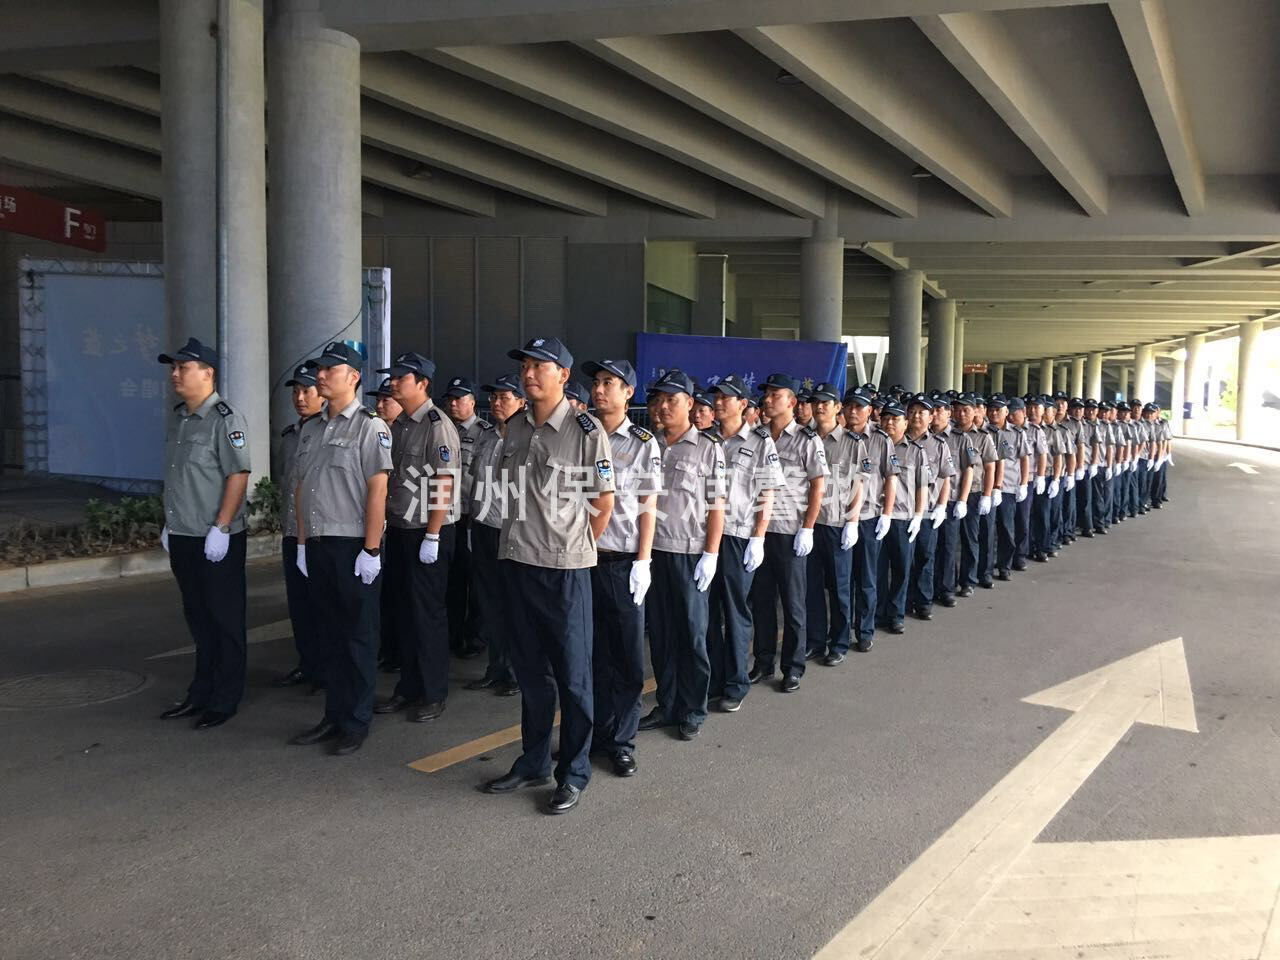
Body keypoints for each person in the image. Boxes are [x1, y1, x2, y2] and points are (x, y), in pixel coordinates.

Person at [481, 336, 614, 816]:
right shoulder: (516, 426)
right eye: (525, 366)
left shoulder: (584, 431)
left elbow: (602, 504)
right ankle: (533, 761)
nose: (529, 373)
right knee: (531, 674)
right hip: (518, 564)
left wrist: (573, 546)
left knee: (573, 678)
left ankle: (573, 772)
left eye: (541, 366)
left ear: (563, 375)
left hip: (563, 572)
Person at [288, 340, 392, 755]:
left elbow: (378, 490)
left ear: (354, 377)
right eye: (320, 369)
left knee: (357, 637)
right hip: (317, 543)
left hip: (351, 547)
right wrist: (301, 543)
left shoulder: (369, 427)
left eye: (330, 369)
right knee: (329, 635)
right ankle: (332, 715)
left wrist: (371, 550)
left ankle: (355, 721)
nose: (321, 375)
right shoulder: (311, 428)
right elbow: (301, 487)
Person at [156, 337, 252, 730]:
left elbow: (238, 474)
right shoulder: (179, 418)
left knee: (224, 620)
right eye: (173, 368)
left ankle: (225, 698)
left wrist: (222, 526)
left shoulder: (225, 419)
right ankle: (201, 691)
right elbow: (181, 478)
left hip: (216, 538)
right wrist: (170, 524)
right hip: (184, 534)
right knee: (198, 617)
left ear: (207, 373)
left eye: (183, 367)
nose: (175, 374)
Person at [637, 368, 726, 739]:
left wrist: (711, 554)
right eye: (658, 400)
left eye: (671, 400)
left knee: (691, 634)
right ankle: (667, 703)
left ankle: (693, 708)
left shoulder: (708, 448)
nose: (663, 407)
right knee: (661, 634)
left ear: (689, 403)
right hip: (652, 553)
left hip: (689, 554)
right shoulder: (648, 445)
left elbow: (717, 505)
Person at [374, 352, 461, 725]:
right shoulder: (401, 425)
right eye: (392, 377)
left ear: (422, 383)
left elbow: (445, 481)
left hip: (428, 531)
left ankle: (432, 691)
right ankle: (408, 687)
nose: (393, 383)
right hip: (400, 528)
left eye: (401, 378)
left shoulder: (436, 425)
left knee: (427, 614)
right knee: (404, 613)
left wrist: (433, 535)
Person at [583, 358, 660, 772]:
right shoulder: (582, 433)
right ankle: (594, 734)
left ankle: (622, 741)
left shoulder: (642, 442)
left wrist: (643, 560)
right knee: (591, 654)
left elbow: (648, 504)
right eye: (596, 382)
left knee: (627, 657)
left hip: (623, 560)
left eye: (608, 382)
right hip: (583, 559)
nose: (599, 389)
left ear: (628, 392)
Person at [749, 373, 827, 691]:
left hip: (789, 530)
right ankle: (763, 661)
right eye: (766, 394)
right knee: (762, 601)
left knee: (793, 603)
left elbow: (818, 486)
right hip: (758, 531)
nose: (767, 400)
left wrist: (808, 528)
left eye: (775, 395)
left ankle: (793, 667)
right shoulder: (755, 437)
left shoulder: (807, 440)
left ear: (792, 401)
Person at [706, 374, 779, 709]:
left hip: (736, 536)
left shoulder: (760, 442)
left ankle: (736, 684)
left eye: (726, 397)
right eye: (717, 397)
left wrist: (758, 536)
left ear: (743, 404)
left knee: (735, 611)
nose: (719, 402)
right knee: (707, 612)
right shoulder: (706, 439)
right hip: (703, 537)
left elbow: (767, 492)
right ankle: (713, 679)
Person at [464, 373, 525, 696]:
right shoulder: (486, 436)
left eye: (505, 397)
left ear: (522, 402)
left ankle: (515, 672)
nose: (497, 402)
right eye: (494, 397)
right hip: (484, 526)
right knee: (489, 602)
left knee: (513, 605)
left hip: (511, 531)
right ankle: (496, 667)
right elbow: (476, 481)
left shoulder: (528, 436)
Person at [273, 362, 325, 692]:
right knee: (299, 604)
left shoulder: (329, 432)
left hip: (319, 535)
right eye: (295, 392)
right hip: (292, 532)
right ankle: (307, 664)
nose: (300, 398)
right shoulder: (290, 436)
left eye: (307, 391)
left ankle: (326, 669)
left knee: (323, 605)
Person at [805, 382, 864, 663]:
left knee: (840, 587)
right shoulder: (805, 438)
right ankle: (816, 640)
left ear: (837, 407)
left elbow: (859, 484)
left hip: (836, 522)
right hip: (808, 524)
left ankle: (839, 643)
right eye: (816, 402)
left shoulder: (852, 443)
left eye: (825, 403)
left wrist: (853, 521)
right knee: (811, 586)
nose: (819, 407)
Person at [843, 387, 896, 651]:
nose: (853, 411)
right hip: (836, 518)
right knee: (841, 581)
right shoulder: (835, 436)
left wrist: (887, 513)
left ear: (869, 410)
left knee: (866, 578)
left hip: (867, 517)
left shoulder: (880, 439)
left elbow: (891, 476)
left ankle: (864, 630)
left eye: (859, 407)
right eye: (849, 406)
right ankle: (840, 632)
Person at [442, 376, 487, 660]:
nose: (453, 404)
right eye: (450, 399)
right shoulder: (443, 429)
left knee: (477, 581)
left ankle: (476, 638)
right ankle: (454, 634)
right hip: (449, 517)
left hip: (473, 517)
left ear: (472, 402)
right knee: (454, 580)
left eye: (459, 399)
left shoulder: (484, 433)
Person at [875, 398, 928, 634]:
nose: (889, 423)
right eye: (885, 418)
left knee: (901, 569)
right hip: (875, 516)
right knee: (876, 570)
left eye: (895, 419)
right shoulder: (871, 445)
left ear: (905, 423)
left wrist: (918, 515)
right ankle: (877, 613)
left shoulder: (916, 452)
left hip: (902, 518)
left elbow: (922, 486)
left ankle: (896, 614)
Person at [905, 395, 955, 621]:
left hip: (927, 511)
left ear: (931, 417)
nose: (916, 416)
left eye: (921, 412)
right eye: (913, 411)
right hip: (901, 511)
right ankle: (905, 601)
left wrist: (942, 506)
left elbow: (945, 477)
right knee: (904, 560)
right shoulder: (896, 441)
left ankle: (924, 601)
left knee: (926, 556)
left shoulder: (939, 445)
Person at [367, 376, 403, 673]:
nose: (380, 405)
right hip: (376, 525)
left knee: (397, 592)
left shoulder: (408, 433)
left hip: (400, 522)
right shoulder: (371, 431)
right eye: (377, 400)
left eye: (386, 399)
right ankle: (383, 647)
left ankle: (396, 650)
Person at [931, 394, 977, 608]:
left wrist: (963, 500)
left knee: (948, 546)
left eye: (940, 410)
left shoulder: (961, 438)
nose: (935, 414)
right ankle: (929, 588)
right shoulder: (923, 437)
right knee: (929, 549)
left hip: (950, 500)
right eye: (933, 410)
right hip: (926, 502)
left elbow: (968, 470)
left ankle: (947, 588)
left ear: (948, 413)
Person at [954, 394, 998, 597]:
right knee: (948, 543)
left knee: (970, 538)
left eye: (966, 410)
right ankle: (948, 581)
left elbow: (990, 468)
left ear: (974, 412)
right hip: (949, 494)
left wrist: (988, 494)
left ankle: (968, 580)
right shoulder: (946, 434)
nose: (961, 414)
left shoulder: (983, 436)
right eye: (958, 410)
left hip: (973, 492)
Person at [990, 396, 1028, 582]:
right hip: (986, 489)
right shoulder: (983, 432)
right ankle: (986, 567)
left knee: (1006, 528)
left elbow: (1024, 459)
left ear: (1006, 412)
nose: (994, 413)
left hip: (1008, 487)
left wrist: (1023, 483)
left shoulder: (1017, 433)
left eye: (998, 409)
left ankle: (1004, 565)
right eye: (991, 409)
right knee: (987, 531)